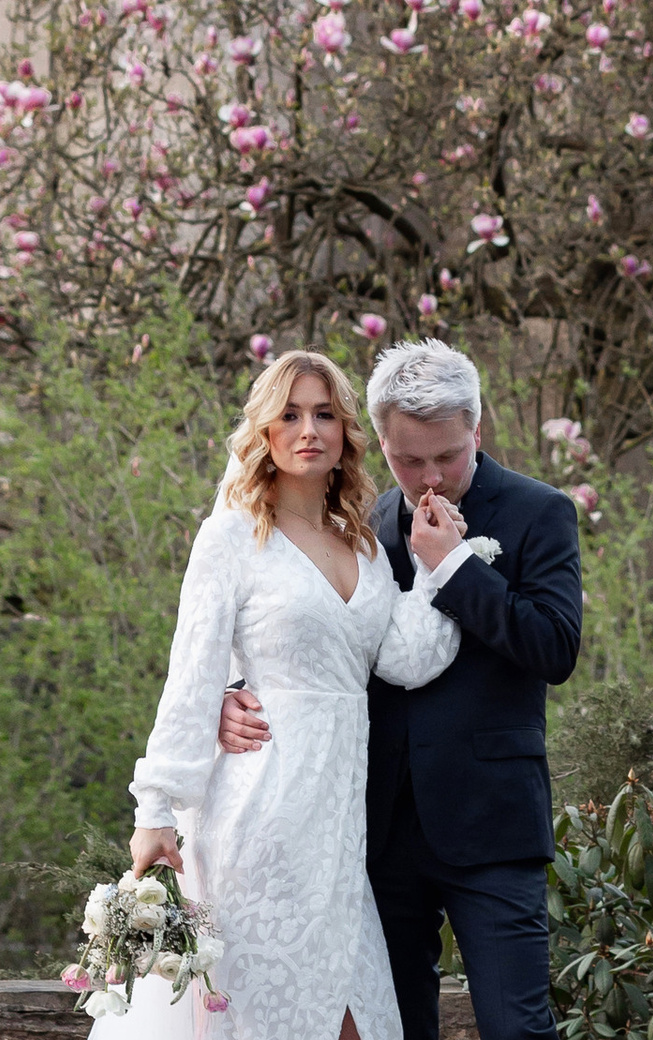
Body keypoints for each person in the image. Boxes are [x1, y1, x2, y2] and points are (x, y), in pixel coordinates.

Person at [215, 341, 582, 1040]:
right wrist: (233, 691)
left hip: (491, 824)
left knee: (518, 1028)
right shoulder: (365, 525)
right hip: (376, 831)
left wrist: (458, 570)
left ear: (477, 428)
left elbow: (555, 648)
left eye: (447, 455)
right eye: (408, 460)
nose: (430, 477)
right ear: (378, 440)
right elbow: (313, 638)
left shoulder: (541, 512)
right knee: (397, 1029)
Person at [126, 349, 471, 1040]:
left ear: (344, 430)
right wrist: (156, 807)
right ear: (265, 432)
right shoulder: (230, 538)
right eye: (289, 414)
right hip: (257, 816)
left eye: (322, 413)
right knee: (260, 1018)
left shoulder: (366, 548)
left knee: (356, 1022)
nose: (308, 428)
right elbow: (191, 676)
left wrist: (438, 571)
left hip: (339, 834)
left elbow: (408, 659)